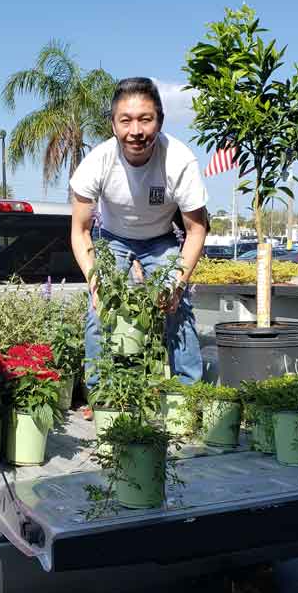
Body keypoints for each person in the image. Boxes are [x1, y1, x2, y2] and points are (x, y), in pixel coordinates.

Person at [70, 77, 209, 402]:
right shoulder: (97, 163)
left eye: (145, 119)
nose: (136, 131)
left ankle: (188, 394)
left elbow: (196, 230)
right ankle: (100, 395)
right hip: (113, 239)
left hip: (161, 239)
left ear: (159, 120)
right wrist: (95, 282)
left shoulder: (180, 161)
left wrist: (177, 285)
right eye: (126, 120)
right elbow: (80, 231)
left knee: (178, 308)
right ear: (113, 124)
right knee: (99, 310)